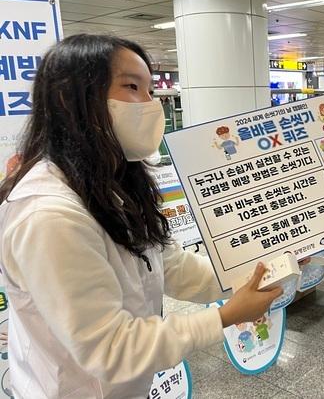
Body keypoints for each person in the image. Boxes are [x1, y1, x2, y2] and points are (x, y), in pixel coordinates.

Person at [0, 34, 282, 398]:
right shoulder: (48, 214)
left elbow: (170, 265)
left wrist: (261, 271)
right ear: (68, 100)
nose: (150, 105)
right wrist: (223, 317)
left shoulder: (112, 183)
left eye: (151, 91)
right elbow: (110, 347)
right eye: (131, 87)